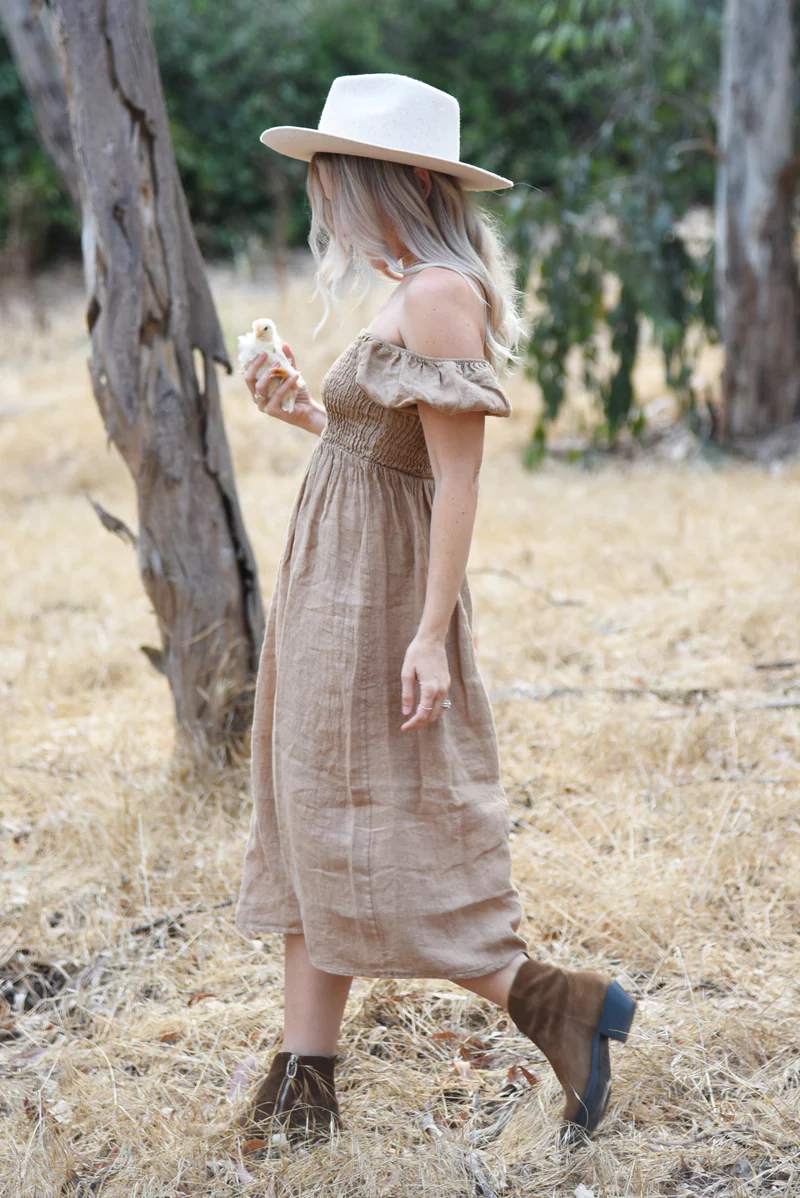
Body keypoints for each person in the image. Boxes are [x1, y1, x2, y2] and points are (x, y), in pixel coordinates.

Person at [234, 72, 635, 1145]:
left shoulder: (439, 293)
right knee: (311, 815)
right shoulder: (405, 282)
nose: (326, 204)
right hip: (333, 583)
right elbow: (386, 449)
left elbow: (454, 480)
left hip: (380, 597)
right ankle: (302, 1086)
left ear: (397, 180)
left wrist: (424, 635)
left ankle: (552, 1002)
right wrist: (304, 411)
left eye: (337, 180)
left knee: (384, 821)